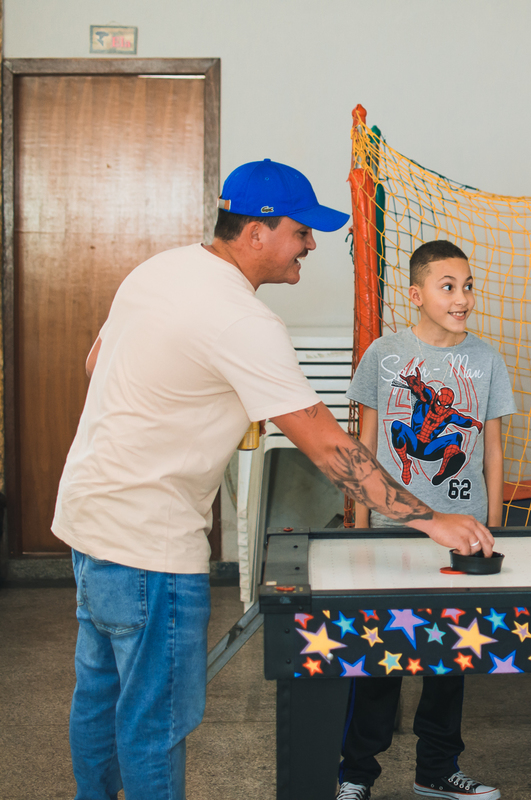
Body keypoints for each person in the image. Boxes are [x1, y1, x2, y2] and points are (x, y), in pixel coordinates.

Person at [53, 160, 493, 800]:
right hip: (149, 544)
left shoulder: (161, 269)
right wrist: (432, 519)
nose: (312, 244)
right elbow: (328, 448)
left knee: (99, 696)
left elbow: (98, 363)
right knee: (155, 723)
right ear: (256, 232)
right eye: (302, 230)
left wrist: (191, 414)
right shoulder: (243, 320)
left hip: (88, 519)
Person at [336, 240, 513, 800]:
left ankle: (437, 771)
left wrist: (495, 524)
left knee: (449, 660)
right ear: (417, 294)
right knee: (379, 663)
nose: (462, 298)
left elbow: (494, 450)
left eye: (467, 286)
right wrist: (359, 528)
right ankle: (355, 775)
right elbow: (363, 446)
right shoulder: (385, 356)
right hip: (391, 533)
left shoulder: (485, 360)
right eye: (447, 286)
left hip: (459, 537)